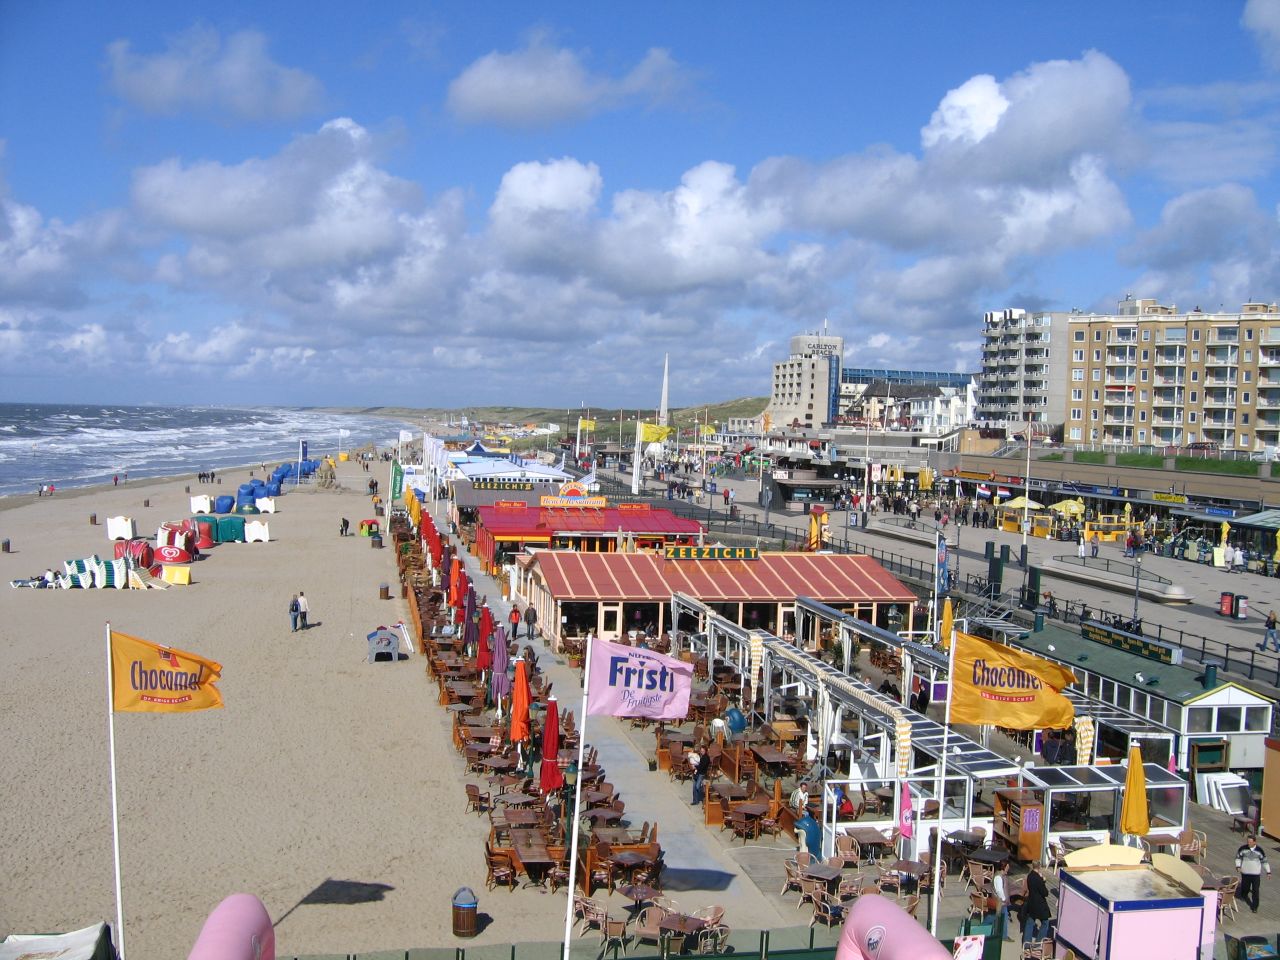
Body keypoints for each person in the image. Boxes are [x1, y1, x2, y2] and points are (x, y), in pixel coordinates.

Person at [1236, 834, 1271, 913]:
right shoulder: (1242, 849)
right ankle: (1244, 894)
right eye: (1248, 842)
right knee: (1245, 888)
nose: (1248, 843)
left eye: (1250, 842)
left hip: (1255, 875)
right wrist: (1238, 866)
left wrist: (1268, 872)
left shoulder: (1259, 850)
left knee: (1255, 890)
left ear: (1255, 842)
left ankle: (1255, 907)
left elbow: (1265, 862)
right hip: (1245, 873)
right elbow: (1238, 858)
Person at [1022, 863, 1051, 944]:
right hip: (1040, 905)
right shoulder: (1038, 879)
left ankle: (1026, 944)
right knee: (1045, 922)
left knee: (1030, 922)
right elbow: (1045, 893)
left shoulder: (1030, 876)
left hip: (1031, 902)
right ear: (1039, 867)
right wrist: (1043, 880)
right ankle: (1038, 943)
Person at [992, 860, 1014, 940]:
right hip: (1000, 902)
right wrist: (1004, 899)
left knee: (1000, 918)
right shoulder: (998, 877)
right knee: (1002, 918)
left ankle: (1000, 935)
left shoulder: (1002, 876)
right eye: (1007, 867)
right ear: (1003, 867)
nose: (1008, 868)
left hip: (1002, 902)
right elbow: (999, 890)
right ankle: (1003, 936)